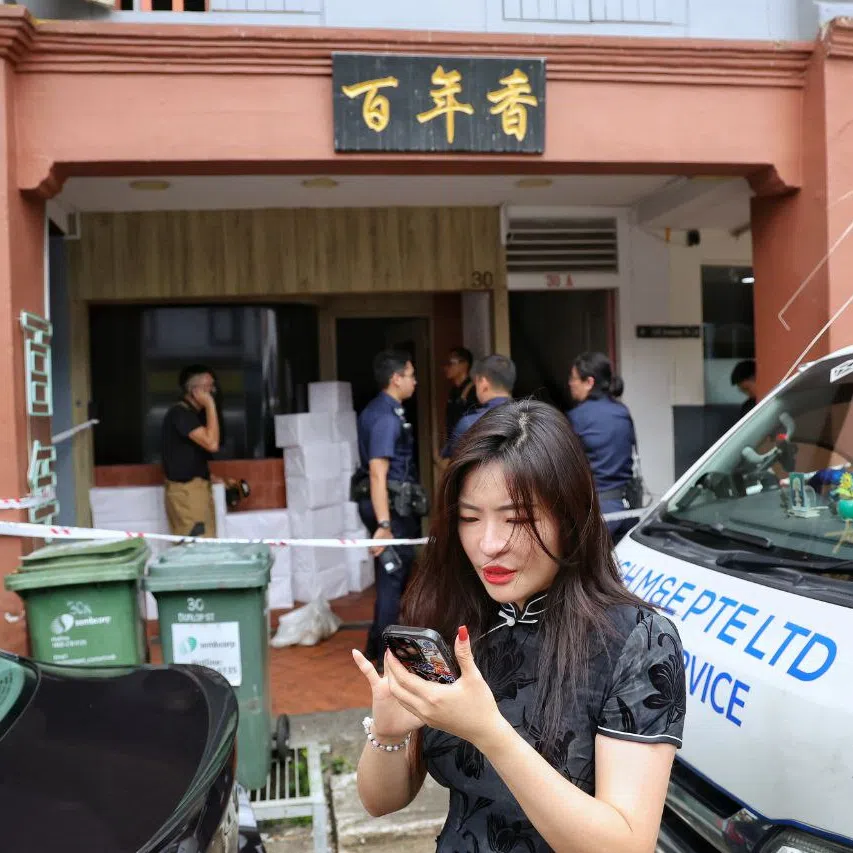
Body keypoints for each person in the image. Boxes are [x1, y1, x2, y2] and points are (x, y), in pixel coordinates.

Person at [351, 400, 685, 852]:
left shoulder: (637, 640)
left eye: (519, 519)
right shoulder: (454, 615)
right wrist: (389, 733)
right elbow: (380, 802)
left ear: (569, 518)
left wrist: (489, 733)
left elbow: (626, 845)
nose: (488, 544)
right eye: (470, 518)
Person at [353, 350, 425, 667]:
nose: (415, 381)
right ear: (396, 378)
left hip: (393, 507)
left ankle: (375, 644)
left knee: (390, 578)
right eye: (411, 375)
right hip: (391, 511)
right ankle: (386, 656)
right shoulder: (384, 416)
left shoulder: (388, 411)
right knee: (392, 580)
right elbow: (378, 472)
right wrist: (384, 523)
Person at [567, 351, 637, 544]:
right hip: (628, 509)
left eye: (573, 378)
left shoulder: (578, 417)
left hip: (596, 511)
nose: (570, 383)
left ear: (589, 382)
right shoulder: (622, 412)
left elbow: (565, 466)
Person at [162, 364, 220, 537]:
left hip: (196, 489)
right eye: (208, 388)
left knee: (207, 543)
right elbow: (212, 443)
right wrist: (210, 406)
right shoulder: (180, 414)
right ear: (194, 391)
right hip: (187, 493)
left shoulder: (191, 415)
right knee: (197, 549)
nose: (212, 392)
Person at [440, 354, 515, 460]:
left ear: (484, 383)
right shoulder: (532, 417)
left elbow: (455, 463)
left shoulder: (470, 424)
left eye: (476, 382)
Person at [443, 347, 475, 440]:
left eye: (450, 363)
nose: (446, 368)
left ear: (464, 364)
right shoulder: (453, 391)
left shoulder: (473, 390)